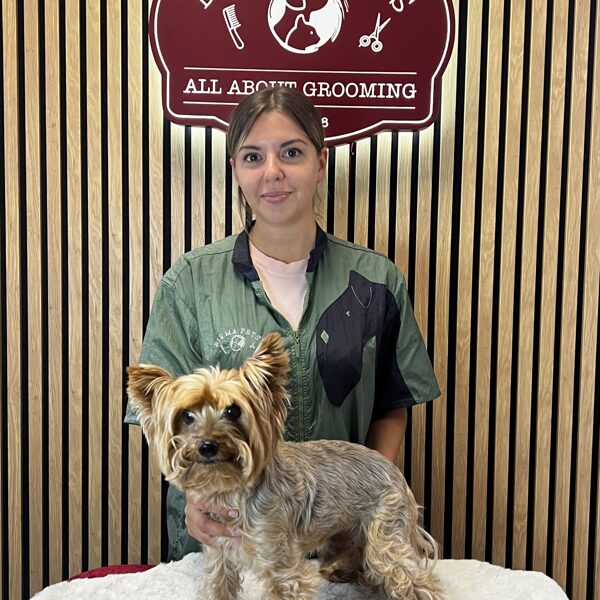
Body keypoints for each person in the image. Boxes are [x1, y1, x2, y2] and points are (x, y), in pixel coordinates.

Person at [125, 86, 440, 560]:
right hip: (225, 541)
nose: (272, 172)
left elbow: (393, 403)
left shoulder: (376, 280)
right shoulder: (189, 283)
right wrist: (195, 500)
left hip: (340, 538)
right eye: (253, 157)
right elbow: (165, 415)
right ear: (235, 168)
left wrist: (370, 498)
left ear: (320, 162)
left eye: (291, 152)